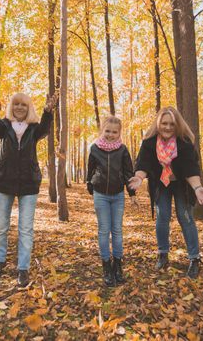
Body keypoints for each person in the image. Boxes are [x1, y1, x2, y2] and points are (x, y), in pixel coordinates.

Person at [0, 73, 58, 287]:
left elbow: (45, 128)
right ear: (11, 107)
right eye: (15, 104)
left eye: (23, 105)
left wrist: (47, 111)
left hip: (28, 184)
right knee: (1, 226)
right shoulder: (4, 126)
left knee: (26, 228)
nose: (19, 108)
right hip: (4, 181)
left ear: (28, 108)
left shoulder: (34, 129)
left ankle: (23, 268)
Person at [128, 107, 203, 279]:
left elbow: (190, 168)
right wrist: (139, 177)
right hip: (161, 184)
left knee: (185, 217)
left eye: (171, 124)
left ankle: (194, 258)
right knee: (162, 216)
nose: (167, 127)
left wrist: (197, 188)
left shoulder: (184, 142)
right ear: (158, 124)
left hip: (182, 184)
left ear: (177, 125)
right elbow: (143, 164)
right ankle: (163, 253)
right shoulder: (149, 142)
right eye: (164, 123)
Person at [86, 116, 137, 287]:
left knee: (117, 231)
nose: (110, 134)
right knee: (103, 231)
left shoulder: (123, 150)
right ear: (102, 130)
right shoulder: (94, 148)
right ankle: (106, 266)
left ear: (119, 133)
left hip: (117, 196)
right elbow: (91, 169)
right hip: (100, 195)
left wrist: (132, 194)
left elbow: (128, 173)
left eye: (114, 132)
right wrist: (90, 185)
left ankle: (118, 265)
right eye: (107, 131)